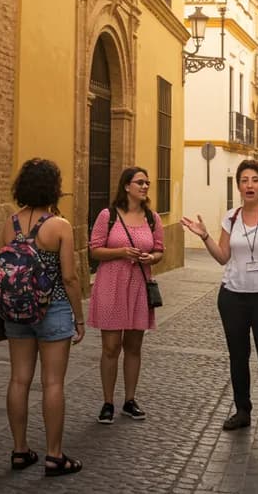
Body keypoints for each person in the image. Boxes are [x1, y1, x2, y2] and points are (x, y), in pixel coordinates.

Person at [181, 159, 258, 437]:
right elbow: (223, 257)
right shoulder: (231, 217)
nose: (249, 185)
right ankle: (242, 411)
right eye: (244, 180)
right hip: (232, 296)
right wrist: (205, 236)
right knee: (238, 356)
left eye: (254, 180)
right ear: (239, 186)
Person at [0, 159, 85, 475]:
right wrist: (79, 317)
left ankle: (20, 450)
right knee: (53, 382)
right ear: (53, 188)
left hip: (17, 310)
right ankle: (54, 455)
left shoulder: (11, 223)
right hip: (54, 308)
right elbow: (70, 277)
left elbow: (3, 267)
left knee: (19, 379)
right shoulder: (59, 226)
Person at [88, 167, 165, 425]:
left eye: (147, 182)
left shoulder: (152, 218)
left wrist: (150, 257)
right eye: (139, 182)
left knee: (134, 346)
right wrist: (121, 252)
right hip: (111, 285)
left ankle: (129, 400)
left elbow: (159, 251)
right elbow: (95, 250)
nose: (145, 187)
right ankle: (107, 402)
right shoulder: (107, 215)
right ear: (126, 186)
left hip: (139, 286)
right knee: (110, 347)